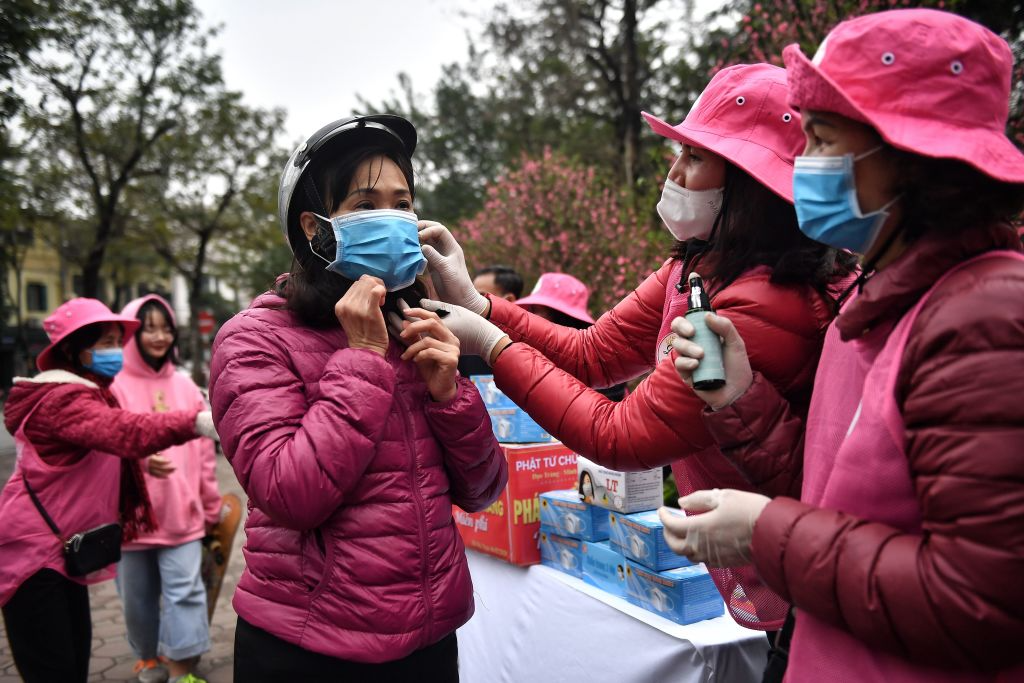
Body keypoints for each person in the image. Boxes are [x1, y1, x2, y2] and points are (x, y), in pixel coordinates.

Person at [417, 63, 856, 635]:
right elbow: (593, 352)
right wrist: (481, 305)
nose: (672, 172)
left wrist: (494, 346)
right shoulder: (698, 265)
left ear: (746, 184)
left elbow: (618, 436)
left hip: (804, 568)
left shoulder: (762, 305)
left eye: (694, 158)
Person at [662, 9, 1024, 681]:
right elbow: (838, 498)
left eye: (823, 139)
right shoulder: (877, 293)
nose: (804, 165)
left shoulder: (984, 318)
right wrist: (741, 396)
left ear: (911, 160)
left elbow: (981, 598)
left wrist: (767, 533)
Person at [207, 114, 508, 683]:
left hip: (428, 639)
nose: (391, 219)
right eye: (366, 203)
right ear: (315, 227)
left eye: (402, 203)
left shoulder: (417, 327)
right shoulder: (253, 339)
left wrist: (450, 394)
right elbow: (289, 495)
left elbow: (484, 490)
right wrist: (364, 358)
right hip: (311, 646)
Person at [0, 298, 218, 683]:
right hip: (32, 560)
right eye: (105, 342)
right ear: (72, 349)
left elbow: (110, 445)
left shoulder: (91, 392)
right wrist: (198, 421)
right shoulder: (62, 399)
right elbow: (124, 432)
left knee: (74, 662)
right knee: (55, 670)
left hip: (60, 555)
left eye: (118, 341)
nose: (116, 351)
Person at [111, 295, 220, 683]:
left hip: (181, 514)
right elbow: (100, 448)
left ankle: (181, 667)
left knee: (185, 591)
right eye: (148, 328)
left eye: (165, 328)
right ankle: (147, 656)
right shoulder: (112, 387)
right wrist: (136, 461)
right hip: (130, 520)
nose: (158, 336)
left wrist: (210, 507)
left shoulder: (184, 386)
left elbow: (205, 454)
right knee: (136, 600)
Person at [516, 272, 627, 402]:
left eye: (536, 310)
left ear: (560, 316)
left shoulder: (601, 366)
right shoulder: (530, 353)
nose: (529, 315)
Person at [458, 265, 524, 377]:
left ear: (509, 300)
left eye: (479, 296)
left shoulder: (530, 352)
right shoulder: (463, 345)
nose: (470, 302)